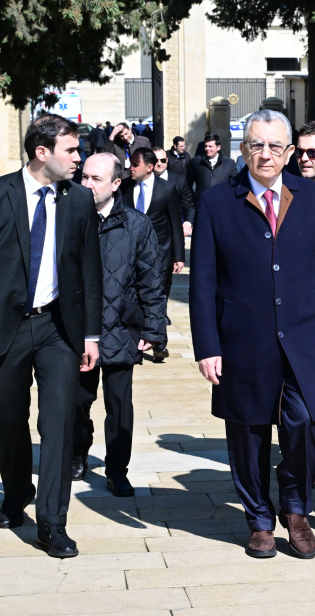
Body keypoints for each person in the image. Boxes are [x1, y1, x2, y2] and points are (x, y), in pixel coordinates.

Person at [189, 110, 315, 560]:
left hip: (303, 341)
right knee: (248, 434)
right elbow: (202, 283)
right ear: (243, 150)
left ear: (290, 152)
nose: (266, 154)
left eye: (275, 146)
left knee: (305, 425)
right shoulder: (218, 202)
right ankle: (259, 519)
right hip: (243, 341)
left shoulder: (314, 199)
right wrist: (207, 347)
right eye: (256, 145)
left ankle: (296, 510)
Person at [0, 114, 103, 558]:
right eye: (71, 151)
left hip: (59, 328)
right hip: (6, 326)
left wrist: (91, 335)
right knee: (8, 416)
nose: (78, 158)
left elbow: (88, 272)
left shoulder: (79, 200)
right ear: (43, 153)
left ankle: (52, 521)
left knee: (57, 420)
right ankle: (16, 491)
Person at [73, 153, 166, 496]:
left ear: (115, 184)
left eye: (96, 179)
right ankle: (78, 452)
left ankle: (117, 471)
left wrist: (154, 329)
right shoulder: (68, 218)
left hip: (121, 328)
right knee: (77, 401)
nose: (87, 184)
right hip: (78, 332)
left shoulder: (137, 225)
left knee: (119, 407)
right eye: (84, 176)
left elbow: (151, 281)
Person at [120, 148, 185, 362]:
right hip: (131, 253)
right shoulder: (124, 187)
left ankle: (160, 344)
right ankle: (138, 339)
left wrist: (179, 256)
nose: (130, 168)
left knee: (158, 298)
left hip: (161, 253)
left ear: (149, 168)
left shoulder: (167, 189)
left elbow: (175, 224)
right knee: (135, 297)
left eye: (135, 166)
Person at [186, 133, 237, 228]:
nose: (207, 149)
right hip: (201, 206)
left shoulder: (229, 163)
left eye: (210, 146)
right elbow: (187, 184)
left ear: (218, 147)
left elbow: (235, 184)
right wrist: (194, 198)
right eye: (206, 146)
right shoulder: (196, 162)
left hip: (222, 207)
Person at [153, 146, 194, 238]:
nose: (159, 164)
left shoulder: (180, 180)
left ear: (167, 160)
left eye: (163, 160)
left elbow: (188, 205)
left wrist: (187, 223)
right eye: (156, 160)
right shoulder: (143, 180)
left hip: (173, 231)